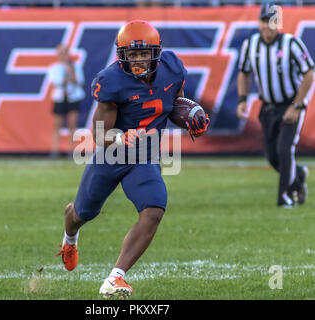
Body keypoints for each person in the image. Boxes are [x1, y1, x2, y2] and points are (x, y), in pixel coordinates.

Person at [57, 20, 209, 298]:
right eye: (133, 54)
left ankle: (115, 277)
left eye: (144, 53)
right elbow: (98, 132)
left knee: (154, 209)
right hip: (111, 154)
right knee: (82, 213)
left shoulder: (172, 69)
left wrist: (191, 117)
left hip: (145, 155)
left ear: (157, 52)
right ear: (122, 55)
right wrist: (119, 137)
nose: (139, 60)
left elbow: (174, 104)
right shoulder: (111, 81)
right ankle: (69, 239)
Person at [237, 3, 314, 208]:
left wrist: (297, 105)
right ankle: (298, 175)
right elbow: (243, 72)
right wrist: (242, 99)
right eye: (264, 21)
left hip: (290, 105)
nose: (267, 27)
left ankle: (285, 197)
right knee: (272, 156)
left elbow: (309, 74)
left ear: (278, 24)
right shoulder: (250, 44)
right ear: (259, 21)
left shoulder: (291, 44)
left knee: (284, 149)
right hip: (268, 107)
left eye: (272, 22)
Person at [48, 45, 85, 158]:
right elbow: (56, 82)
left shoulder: (75, 66)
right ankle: (55, 150)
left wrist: (71, 73)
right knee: (57, 126)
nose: (63, 55)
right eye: (61, 53)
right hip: (60, 98)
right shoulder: (54, 67)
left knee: (72, 125)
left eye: (65, 52)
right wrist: (67, 77)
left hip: (72, 97)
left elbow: (80, 81)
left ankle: (71, 151)